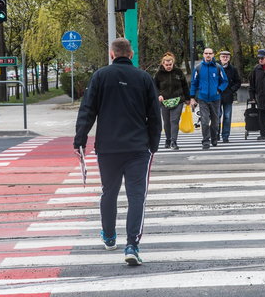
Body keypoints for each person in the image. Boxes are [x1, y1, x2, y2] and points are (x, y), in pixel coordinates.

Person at [74, 38, 161, 266]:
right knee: (136, 197)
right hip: (137, 148)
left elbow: (88, 110)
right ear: (130, 54)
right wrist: (153, 144)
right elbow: (154, 115)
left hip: (108, 148)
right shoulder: (143, 78)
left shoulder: (100, 76)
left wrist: (80, 140)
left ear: (112, 54)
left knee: (109, 192)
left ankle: (109, 235)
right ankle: (132, 244)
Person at [189, 47, 228, 150]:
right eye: (206, 53)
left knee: (215, 122)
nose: (208, 55)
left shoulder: (218, 67)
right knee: (205, 122)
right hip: (203, 99)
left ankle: (214, 138)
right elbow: (193, 83)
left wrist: (219, 90)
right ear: (203, 55)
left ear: (213, 55)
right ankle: (206, 141)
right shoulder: (198, 68)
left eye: (210, 53)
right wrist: (192, 97)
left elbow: (225, 81)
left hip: (215, 99)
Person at [153, 52, 189, 150]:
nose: (168, 66)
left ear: (173, 63)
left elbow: (185, 85)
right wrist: (158, 95)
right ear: (163, 64)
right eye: (166, 65)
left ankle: (174, 141)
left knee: (174, 120)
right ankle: (168, 139)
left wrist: (187, 98)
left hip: (178, 100)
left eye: (170, 64)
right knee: (167, 122)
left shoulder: (178, 72)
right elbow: (154, 87)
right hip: (165, 101)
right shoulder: (158, 74)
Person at [217, 50, 242, 143]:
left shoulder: (233, 69)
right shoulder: (215, 67)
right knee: (217, 116)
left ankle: (225, 136)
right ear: (220, 58)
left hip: (228, 96)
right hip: (217, 96)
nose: (225, 58)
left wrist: (232, 90)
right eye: (223, 56)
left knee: (227, 117)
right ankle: (216, 134)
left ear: (229, 58)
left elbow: (238, 82)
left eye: (227, 57)